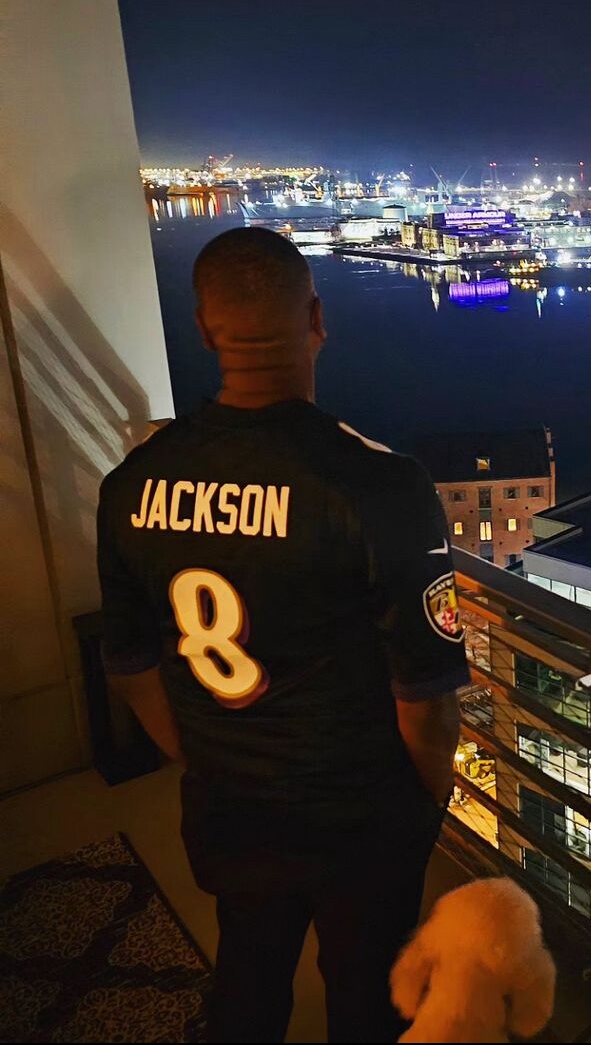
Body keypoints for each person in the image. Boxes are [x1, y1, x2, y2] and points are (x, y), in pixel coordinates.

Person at [97, 226, 469, 1043]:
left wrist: (200, 757)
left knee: (249, 971)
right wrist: (424, 803)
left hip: (229, 804)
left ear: (203, 330)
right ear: (318, 319)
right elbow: (430, 701)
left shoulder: (129, 488)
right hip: (360, 816)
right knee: (368, 1000)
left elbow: (128, 665)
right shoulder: (379, 486)